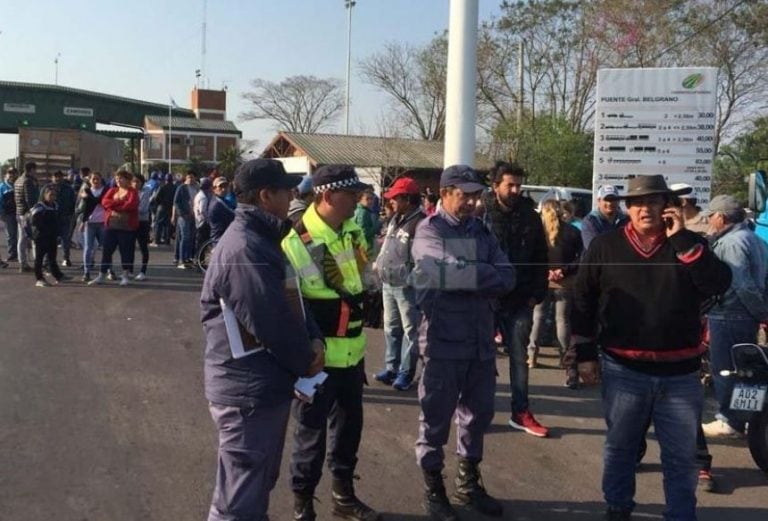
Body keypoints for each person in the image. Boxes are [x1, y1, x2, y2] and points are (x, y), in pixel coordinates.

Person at [570, 175, 731, 521]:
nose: (645, 209)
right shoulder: (605, 245)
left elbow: (718, 283)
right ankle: (618, 509)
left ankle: (680, 514)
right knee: (621, 449)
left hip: (681, 374)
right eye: (638, 202)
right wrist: (583, 354)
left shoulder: (689, 244)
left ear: (667, 207)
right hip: (624, 369)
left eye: (654, 202)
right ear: (628, 208)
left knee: (681, 456)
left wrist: (684, 239)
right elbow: (582, 299)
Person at [200, 159, 324, 521]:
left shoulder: (264, 241)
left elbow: (293, 298)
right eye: (286, 191)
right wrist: (306, 357)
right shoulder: (244, 248)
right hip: (246, 391)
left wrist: (313, 339)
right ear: (266, 195)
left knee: (254, 487)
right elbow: (271, 320)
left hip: (263, 385)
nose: (293, 196)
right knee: (237, 501)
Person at [410, 164, 515, 520]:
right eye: (464, 195)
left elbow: (509, 275)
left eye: (475, 195)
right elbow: (448, 271)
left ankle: (468, 483)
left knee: (479, 414)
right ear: (444, 193)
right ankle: (433, 487)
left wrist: (473, 274)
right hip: (443, 340)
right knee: (435, 417)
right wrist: (484, 275)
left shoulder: (482, 231)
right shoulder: (429, 231)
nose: (472, 202)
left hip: (480, 340)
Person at [282, 164, 381, 521]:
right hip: (317, 361)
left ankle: (344, 497)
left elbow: (361, 280)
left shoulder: (352, 232)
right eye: (351, 194)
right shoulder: (298, 243)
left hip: (353, 356)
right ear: (327, 196)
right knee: (310, 436)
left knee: (349, 432)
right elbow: (301, 306)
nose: (358, 200)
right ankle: (303, 505)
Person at [483, 161, 550, 437]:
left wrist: (537, 294)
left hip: (521, 299)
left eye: (518, 185)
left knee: (519, 358)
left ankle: (520, 412)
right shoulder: (481, 213)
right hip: (487, 299)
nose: (515, 190)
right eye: (509, 184)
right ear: (495, 185)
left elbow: (540, 256)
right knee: (482, 359)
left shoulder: (530, 215)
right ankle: (478, 410)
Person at [700, 194, 768, 437]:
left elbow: (742, 284)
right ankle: (744, 418)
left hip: (730, 315)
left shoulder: (731, 243)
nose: (708, 220)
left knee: (726, 369)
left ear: (721, 216)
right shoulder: (756, 239)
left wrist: (761, 311)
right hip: (746, 317)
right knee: (746, 371)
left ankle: (730, 419)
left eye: (711, 215)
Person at [372, 177, 426, 391]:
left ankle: (405, 372)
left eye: (395, 197)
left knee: (410, 331)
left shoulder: (420, 223)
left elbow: (423, 258)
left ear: (407, 198)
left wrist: (412, 278)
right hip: (388, 284)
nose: (391, 201)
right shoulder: (396, 219)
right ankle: (391, 367)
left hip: (407, 287)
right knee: (391, 328)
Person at [528, 199, 583, 388]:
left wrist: (545, 271)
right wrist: (563, 271)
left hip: (542, 280)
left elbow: (532, 257)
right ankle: (564, 356)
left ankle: (531, 356)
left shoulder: (537, 232)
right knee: (563, 320)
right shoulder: (573, 231)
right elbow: (580, 257)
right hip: (565, 281)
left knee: (538, 318)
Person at [88, 170, 139, 287]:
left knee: (125, 251)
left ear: (127, 179)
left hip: (126, 227)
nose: (118, 181)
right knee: (107, 251)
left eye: (121, 178)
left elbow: (131, 205)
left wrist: (115, 205)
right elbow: (104, 202)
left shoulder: (132, 192)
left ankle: (125, 275)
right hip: (111, 226)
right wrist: (120, 204)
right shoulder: (112, 190)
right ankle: (102, 275)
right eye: (116, 179)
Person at [29, 185, 68, 287]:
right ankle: (39, 279)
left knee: (52, 258)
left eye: (54, 195)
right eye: (50, 194)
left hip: (52, 236)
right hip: (41, 237)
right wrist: (43, 230)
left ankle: (58, 276)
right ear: (44, 195)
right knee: (39, 259)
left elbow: (57, 221)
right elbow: (34, 222)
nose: (52, 197)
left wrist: (57, 233)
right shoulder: (39, 207)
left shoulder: (55, 206)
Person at [78, 172, 108, 282]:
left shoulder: (106, 190)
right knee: (88, 247)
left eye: (98, 178)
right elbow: (86, 209)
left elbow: (103, 202)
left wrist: (89, 198)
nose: (95, 181)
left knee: (106, 247)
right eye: (93, 179)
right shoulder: (86, 191)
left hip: (102, 222)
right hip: (90, 223)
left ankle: (107, 269)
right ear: (90, 180)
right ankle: (86, 271)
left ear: (101, 179)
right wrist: (83, 222)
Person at [581, 185, 627, 250]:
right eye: (606, 199)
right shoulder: (590, 221)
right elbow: (594, 249)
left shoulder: (626, 220)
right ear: (599, 201)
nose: (609, 203)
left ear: (618, 201)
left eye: (613, 199)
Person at [14, 161, 40, 272]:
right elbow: (30, 199)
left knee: (22, 239)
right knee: (34, 238)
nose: (36, 172)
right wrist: (34, 211)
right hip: (27, 213)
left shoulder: (18, 180)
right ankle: (37, 263)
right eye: (35, 170)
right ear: (31, 169)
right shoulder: (28, 181)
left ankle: (22, 263)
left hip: (19, 212)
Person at [50, 170, 76, 267]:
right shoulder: (47, 188)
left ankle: (66, 258)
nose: (57, 178)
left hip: (65, 217)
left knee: (65, 239)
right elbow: (41, 202)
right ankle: (50, 260)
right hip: (51, 217)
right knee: (50, 240)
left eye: (59, 176)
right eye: (55, 176)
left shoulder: (68, 189)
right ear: (52, 177)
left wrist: (71, 214)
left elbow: (73, 202)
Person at [173, 171, 199, 268]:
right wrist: (182, 214)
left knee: (191, 238)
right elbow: (176, 202)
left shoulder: (197, 188)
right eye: (189, 177)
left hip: (194, 216)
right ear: (186, 178)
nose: (190, 179)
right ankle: (182, 259)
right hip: (184, 217)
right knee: (185, 237)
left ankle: (188, 258)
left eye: (192, 177)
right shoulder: (182, 188)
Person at [131, 174, 152, 280]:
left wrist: (127, 208)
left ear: (142, 183)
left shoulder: (145, 191)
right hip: (130, 222)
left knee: (143, 247)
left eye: (138, 182)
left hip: (142, 222)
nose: (135, 184)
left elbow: (142, 208)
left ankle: (143, 271)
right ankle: (129, 270)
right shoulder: (129, 191)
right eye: (133, 181)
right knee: (129, 246)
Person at [0, 167, 19, 266]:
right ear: (6, 174)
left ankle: (20, 253)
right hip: (8, 214)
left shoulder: (18, 184)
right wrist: (1, 212)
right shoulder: (2, 186)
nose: (11, 175)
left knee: (21, 235)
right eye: (9, 173)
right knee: (11, 234)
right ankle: (12, 254)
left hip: (19, 212)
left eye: (13, 173)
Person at [208, 177, 235, 242]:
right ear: (214, 189)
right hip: (219, 239)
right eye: (220, 187)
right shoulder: (218, 203)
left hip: (225, 236)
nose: (224, 189)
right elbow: (235, 215)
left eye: (225, 186)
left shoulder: (223, 200)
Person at [152, 172, 175, 245]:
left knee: (158, 224)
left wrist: (159, 204)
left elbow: (156, 198)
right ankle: (167, 240)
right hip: (170, 208)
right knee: (168, 225)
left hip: (161, 207)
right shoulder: (175, 187)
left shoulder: (162, 186)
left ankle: (157, 240)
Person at [354, 189, 378, 254]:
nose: (370, 201)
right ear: (360, 199)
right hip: (363, 248)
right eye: (367, 199)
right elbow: (364, 234)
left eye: (372, 199)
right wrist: (378, 224)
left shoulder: (357, 209)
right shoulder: (363, 212)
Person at [194, 177, 213, 249]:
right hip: (202, 223)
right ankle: (199, 258)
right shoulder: (203, 197)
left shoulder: (198, 195)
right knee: (202, 243)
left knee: (199, 242)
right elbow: (202, 210)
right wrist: (208, 219)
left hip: (198, 221)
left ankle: (197, 257)